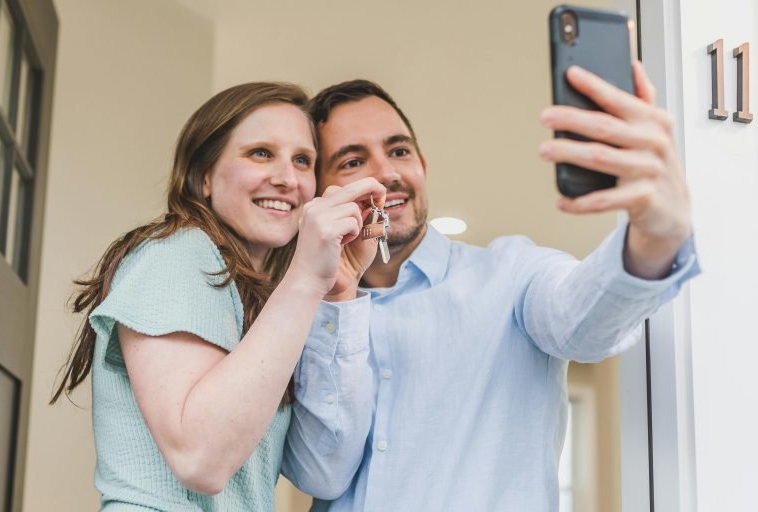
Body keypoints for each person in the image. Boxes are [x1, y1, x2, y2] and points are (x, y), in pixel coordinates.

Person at [282, 63, 700, 511]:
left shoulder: (513, 275)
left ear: (422, 166)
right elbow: (318, 474)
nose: (386, 173)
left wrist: (652, 239)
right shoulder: (296, 313)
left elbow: (585, 322)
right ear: (319, 194)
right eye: (353, 161)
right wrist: (335, 299)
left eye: (399, 151)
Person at [50, 82, 386, 511]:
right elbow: (200, 460)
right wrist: (305, 278)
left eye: (302, 160)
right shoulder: (176, 252)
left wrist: (339, 288)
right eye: (261, 153)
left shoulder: (265, 302)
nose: (287, 179)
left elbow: (324, 473)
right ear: (203, 176)